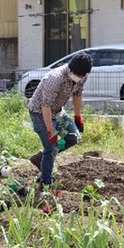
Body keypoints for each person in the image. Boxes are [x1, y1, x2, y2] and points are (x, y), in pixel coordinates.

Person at [28, 52, 92, 189]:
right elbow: (45, 106)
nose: (80, 78)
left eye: (82, 76)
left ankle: (41, 158)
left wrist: (78, 116)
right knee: (51, 148)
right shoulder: (55, 79)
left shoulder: (81, 77)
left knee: (73, 137)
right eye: (78, 75)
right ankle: (45, 182)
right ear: (71, 69)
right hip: (39, 113)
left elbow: (77, 94)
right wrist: (51, 131)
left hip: (58, 111)